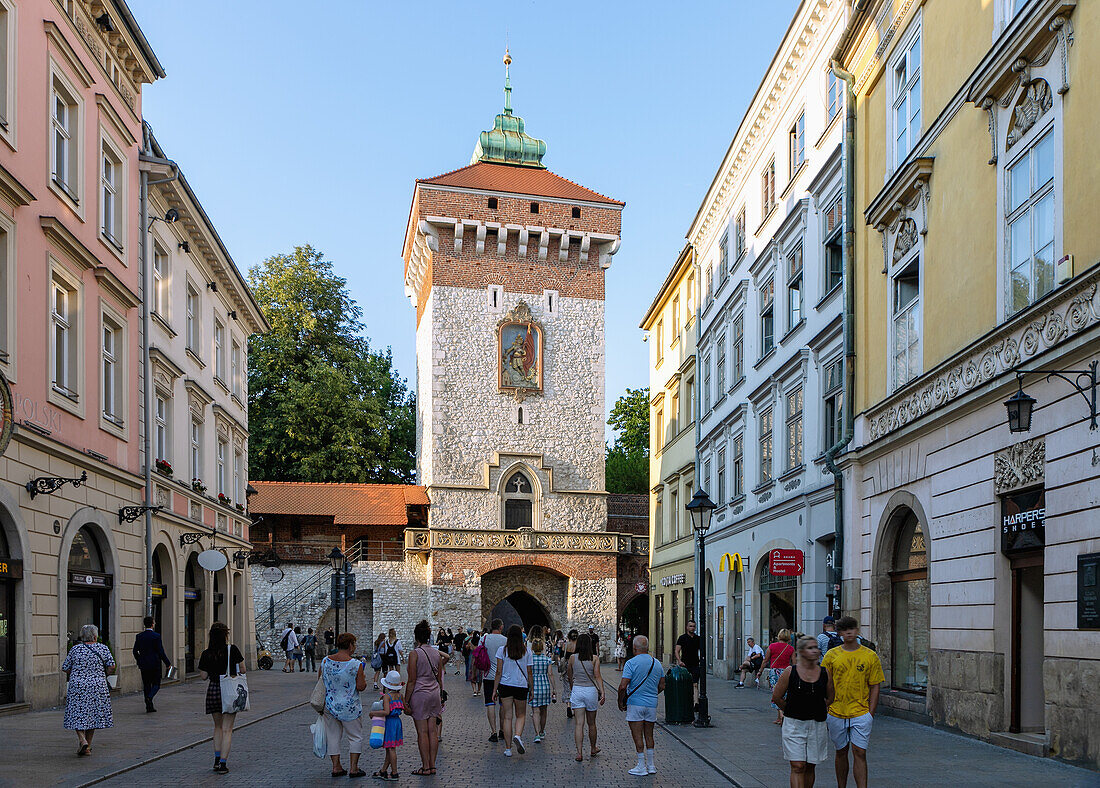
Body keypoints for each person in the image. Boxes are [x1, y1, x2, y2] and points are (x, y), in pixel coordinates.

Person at [821, 617, 884, 788]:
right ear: (839, 632)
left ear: (857, 630)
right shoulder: (831, 655)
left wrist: (870, 713)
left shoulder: (870, 655)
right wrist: (826, 707)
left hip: (861, 712)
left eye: (852, 628)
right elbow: (826, 682)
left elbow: (875, 685)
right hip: (836, 711)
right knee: (841, 752)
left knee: (860, 752)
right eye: (845, 629)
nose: (849, 632)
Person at [772, 636, 835, 788]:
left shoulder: (825, 672)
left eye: (816, 648)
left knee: (810, 765)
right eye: (810, 648)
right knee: (798, 766)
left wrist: (816, 707)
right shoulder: (790, 672)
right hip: (794, 724)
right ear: (801, 652)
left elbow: (831, 697)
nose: (815, 651)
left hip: (816, 724)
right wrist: (791, 710)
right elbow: (777, 697)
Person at [198, 621, 245, 773]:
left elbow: (203, 676)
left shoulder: (206, 653)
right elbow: (243, 669)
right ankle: (223, 763)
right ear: (225, 635)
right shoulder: (233, 649)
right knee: (227, 729)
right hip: (230, 691)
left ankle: (216, 760)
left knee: (217, 727)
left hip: (213, 690)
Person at [319, 632, 367, 778]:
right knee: (355, 737)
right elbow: (360, 686)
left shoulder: (325, 661)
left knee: (333, 736)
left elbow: (321, 681)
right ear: (350, 645)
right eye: (354, 644)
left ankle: (336, 767)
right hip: (349, 706)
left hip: (330, 704)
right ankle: (354, 768)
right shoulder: (355, 664)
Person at [62, 624, 115, 756]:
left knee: (77, 713)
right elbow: (112, 666)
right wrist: (104, 675)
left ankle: (82, 739)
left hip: (78, 686)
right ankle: (87, 747)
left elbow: (65, 667)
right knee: (93, 714)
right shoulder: (103, 648)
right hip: (98, 686)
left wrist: (76, 673)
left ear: (82, 636)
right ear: (96, 636)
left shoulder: (76, 649)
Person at [617, 635, 664, 776]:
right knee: (649, 734)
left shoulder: (631, 663)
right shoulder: (657, 663)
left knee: (637, 735)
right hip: (651, 703)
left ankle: (641, 765)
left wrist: (620, 701)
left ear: (634, 648)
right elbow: (662, 685)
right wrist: (652, 693)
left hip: (636, 703)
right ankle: (651, 765)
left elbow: (623, 686)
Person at [405, 620, 444, 776]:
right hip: (434, 693)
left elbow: (412, 680)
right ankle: (433, 765)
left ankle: (425, 766)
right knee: (432, 731)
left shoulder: (414, 654)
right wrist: (441, 694)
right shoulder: (436, 653)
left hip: (420, 694)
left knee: (422, 732)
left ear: (416, 637)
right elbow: (440, 678)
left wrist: (406, 700)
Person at [493, 624, 533, 757]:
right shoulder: (527, 651)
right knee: (521, 715)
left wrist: (494, 690)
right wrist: (531, 689)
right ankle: (518, 735)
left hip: (505, 685)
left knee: (507, 717)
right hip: (521, 685)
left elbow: (498, 672)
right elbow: (529, 672)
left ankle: (508, 748)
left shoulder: (502, 650)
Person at [566, 632, 604, 762]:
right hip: (591, 691)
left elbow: (569, 675)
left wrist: (572, 687)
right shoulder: (594, 658)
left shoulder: (572, 658)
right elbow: (597, 676)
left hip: (578, 690)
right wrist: (602, 692)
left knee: (579, 724)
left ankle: (579, 752)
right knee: (592, 723)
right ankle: (593, 748)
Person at [133, 616, 171, 712]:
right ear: (152, 624)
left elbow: (134, 651)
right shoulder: (156, 636)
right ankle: (149, 697)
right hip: (155, 664)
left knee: (146, 684)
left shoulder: (139, 636)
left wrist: (139, 659)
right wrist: (167, 663)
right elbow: (160, 651)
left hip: (144, 664)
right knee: (156, 684)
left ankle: (149, 706)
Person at [527, 626, 556, 743]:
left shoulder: (530, 660)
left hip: (534, 687)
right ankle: (543, 731)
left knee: (535, 711)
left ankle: (537, 734)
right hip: (545, 686)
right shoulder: (546, 660)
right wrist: (554, 688)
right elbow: (550, 674)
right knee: (544, 711)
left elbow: (528, 673)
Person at [480, 619, 507, 741]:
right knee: (502, 704)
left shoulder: (484, 639)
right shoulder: (505, 640)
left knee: (490, 703)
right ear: (501, 627)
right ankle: (502, 730)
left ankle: (493, 732)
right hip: (503, 677)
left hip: (488, 675)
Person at [376, 670, 405, 780]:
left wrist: (373, 713)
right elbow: (405, 708)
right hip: (397, 722)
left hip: (389, 722)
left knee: (391, 749)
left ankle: (394, 772)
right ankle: (383, 770)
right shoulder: (400, 695)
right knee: (389, 747)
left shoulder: (387, 697)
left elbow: (386, 712)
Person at [763, 629, 796, 724]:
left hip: (774, 672)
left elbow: (765, 660)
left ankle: (781, 715)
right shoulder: (791, 648)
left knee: (776, 694)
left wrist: (760, 671)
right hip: (786, 672)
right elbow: (794, 663)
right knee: (785, 694)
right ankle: (779, 717)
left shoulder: (772, 646)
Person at [674, 620, 702, 703]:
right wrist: (679, 661)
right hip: (685, 664)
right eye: (690, 626)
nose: (692, 628)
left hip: (695, 664)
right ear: (687, 627)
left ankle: (696, 703)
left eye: (693, 626)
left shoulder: (698, 638)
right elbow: (676, 651)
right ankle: (686, 701)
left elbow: (702, 651)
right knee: (685, 684)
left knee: (695, 684)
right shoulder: (682, 638)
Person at [562, 629, 578, 719]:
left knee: (567, 686)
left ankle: (568, 705)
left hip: (566, 667)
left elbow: (561, 655)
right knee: (575, 686)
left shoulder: (566, 645)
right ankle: (575, 707)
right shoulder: (578, 646)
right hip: (576, 666)